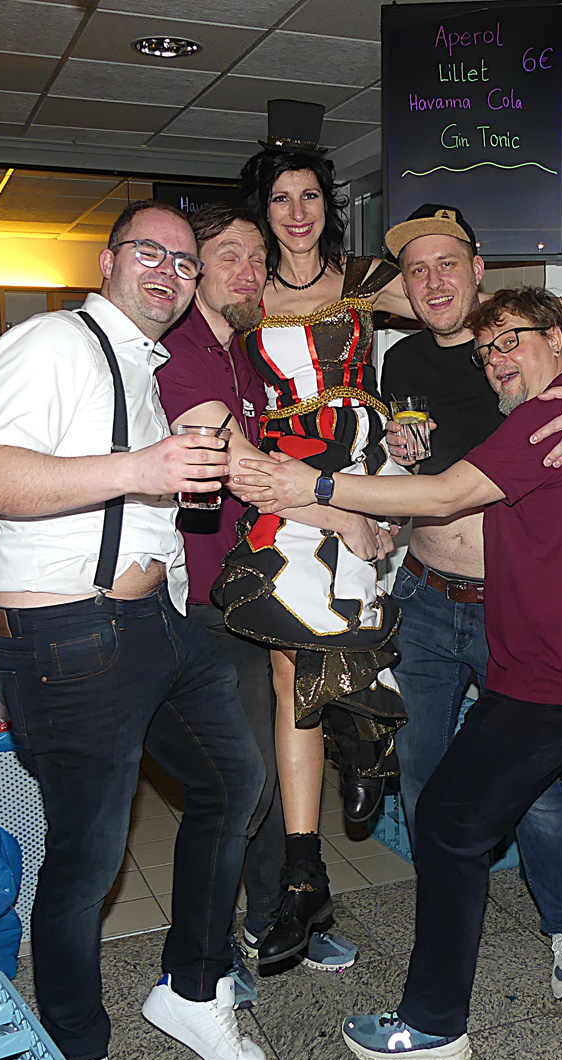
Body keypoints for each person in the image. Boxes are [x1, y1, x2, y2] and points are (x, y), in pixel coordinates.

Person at [232, 286, 562, 1060]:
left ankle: (434, 1025)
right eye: (486, 352)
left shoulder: (552, 417)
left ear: (558, 340)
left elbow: (446, 495)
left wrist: (314, 487)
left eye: (511, 340)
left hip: (556, 676)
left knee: (449, 821)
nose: (496, 360)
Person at [0, 199, 269, 1060]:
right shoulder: (53, 343)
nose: (169, 271)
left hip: (152, 621)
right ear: (107, 260)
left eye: (184, 261)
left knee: (232, 781)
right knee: (88, 855)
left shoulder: (144, 363)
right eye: (149, 252)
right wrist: (144, 467)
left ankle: (192, 990)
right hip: (67, 631)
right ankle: (76, 1046)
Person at [378, 204, 562, 1002]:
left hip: (515, 609)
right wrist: (392, 460)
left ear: (479, 271)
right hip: (426, 595)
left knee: (539, 794)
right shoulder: (404, 359)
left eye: (448, 263)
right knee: (425, 776)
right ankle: (448, 921)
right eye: (415, 270)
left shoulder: (545, 364)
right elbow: (419, 472)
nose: (432, 281)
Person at [211, 99, 415, 967]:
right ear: (263, 211)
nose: (296, 212)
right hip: (281, 482)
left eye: (309, 196)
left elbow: (459, 308)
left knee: (350, 629)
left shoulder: (367, 277)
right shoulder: (244, 294)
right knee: (291, 657)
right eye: (280, 199)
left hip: (358, 473)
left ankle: (365, 740)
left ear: (328, 205)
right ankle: (304, 866)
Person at [157, 201, 359, 1003]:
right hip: (203, 601)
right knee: (239, 780)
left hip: (259, 589)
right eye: (229, 256)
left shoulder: (241, 352)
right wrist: (345, 515)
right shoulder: (182, 352)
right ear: (193, 270)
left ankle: (279, 913)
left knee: (279, 758)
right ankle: (205, 957)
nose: (249, 272)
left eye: (256, 258)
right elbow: (241, 466)